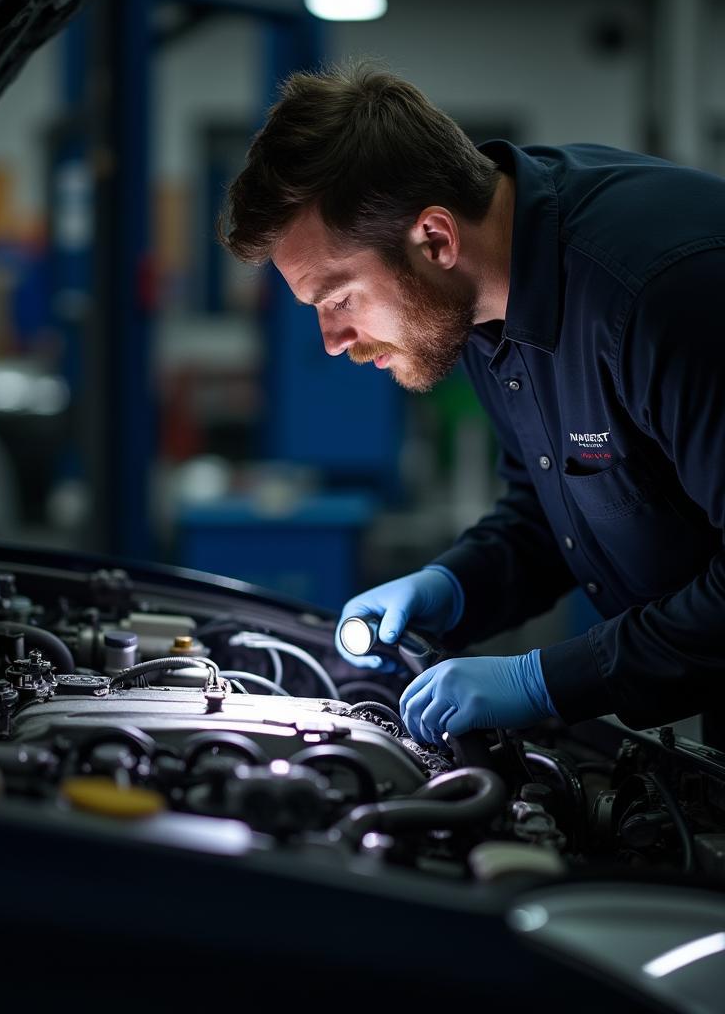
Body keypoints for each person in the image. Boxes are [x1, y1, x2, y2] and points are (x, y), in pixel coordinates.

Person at [217, 63, 725, 746]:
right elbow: (552, 514)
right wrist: (452, 587)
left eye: (338, 298)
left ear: (434, 239)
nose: (333, 341)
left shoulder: (658, 297)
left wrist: (546, 681)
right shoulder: (484, 296)